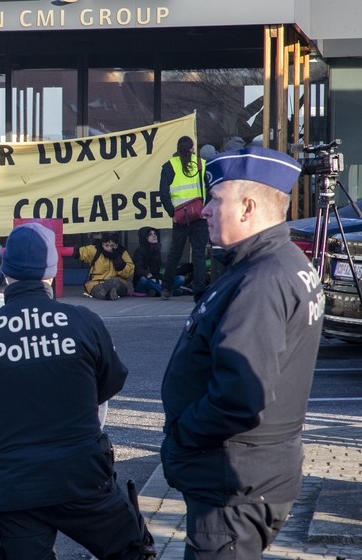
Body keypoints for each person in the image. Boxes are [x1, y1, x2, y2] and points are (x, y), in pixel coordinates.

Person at [0, 223, 152, 560]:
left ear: (6, 272)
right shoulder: (84, 321)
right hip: (83, 478)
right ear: (51, 273)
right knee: (131, 551)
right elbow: (111, 383)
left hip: (15, 487)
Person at [160, 146, 322, 558]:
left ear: (248, 207)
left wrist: (183, 434)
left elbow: (240, 396)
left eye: (216, 199)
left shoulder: (261, 280)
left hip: (233, 484)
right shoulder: (272, 264)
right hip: (246, 478)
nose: (205, 211)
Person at [160, 135, 208, 300]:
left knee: (175, 253)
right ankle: (199, 289)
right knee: (199, 254)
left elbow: (163, 192)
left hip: (180, 217)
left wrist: (171, 212)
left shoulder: (169, 165)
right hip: (199, 215)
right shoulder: (201, 163)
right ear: (192, 148)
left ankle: (166, 288)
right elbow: (209, 189)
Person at [74, 232, 134, 300]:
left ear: (117, 245)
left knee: (114, 282)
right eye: (106, 245)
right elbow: (81, 252)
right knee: (98, 289)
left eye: (112, 246)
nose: (109, 248)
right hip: (97, 283)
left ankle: (106, 293)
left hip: (118, 282)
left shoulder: (122, 252)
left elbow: (130, 270)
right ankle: (108, 293)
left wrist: (120, 266)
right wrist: (75, 251)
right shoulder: (95, 250)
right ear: (102, 244)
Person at [130, 226, 171, 297]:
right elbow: (137, 269)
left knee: (180, 279)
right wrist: (147, 274)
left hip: (156, 280)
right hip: (144, 281)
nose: (154, 236)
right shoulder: (140, 251)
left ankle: (156, 291)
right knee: (143, 280)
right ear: (144, 237)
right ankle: (167, 291)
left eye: (155, 234)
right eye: (150, 234)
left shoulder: (156, 249)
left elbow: (159, 269)